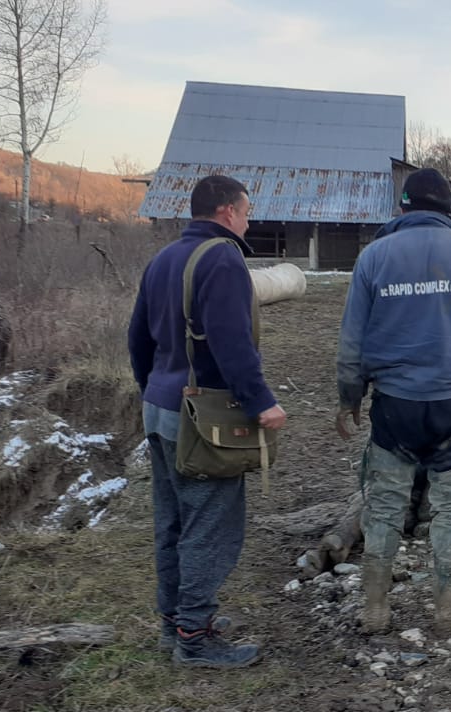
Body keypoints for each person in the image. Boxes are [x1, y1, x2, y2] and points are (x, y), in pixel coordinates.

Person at [336, 167, 451, 635]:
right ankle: (446, 606)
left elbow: (352, 340)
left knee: (384, 504)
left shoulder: (374, 257)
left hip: (394, 406)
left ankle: (375, 609)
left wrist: (349, 398)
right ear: (448, 210)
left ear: (403, 208)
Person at [128, 174, 285, 669]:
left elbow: (137, 340)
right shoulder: (222, 258)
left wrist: (154, 389)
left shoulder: (163, 259)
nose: (248, 219)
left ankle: (172, 623)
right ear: (225, 212)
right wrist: (261, 401)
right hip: (199, 419)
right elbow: (231, 342)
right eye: (246, 209)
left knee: (172, 523)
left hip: (159, 407)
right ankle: (194, 638)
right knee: (208, 528)